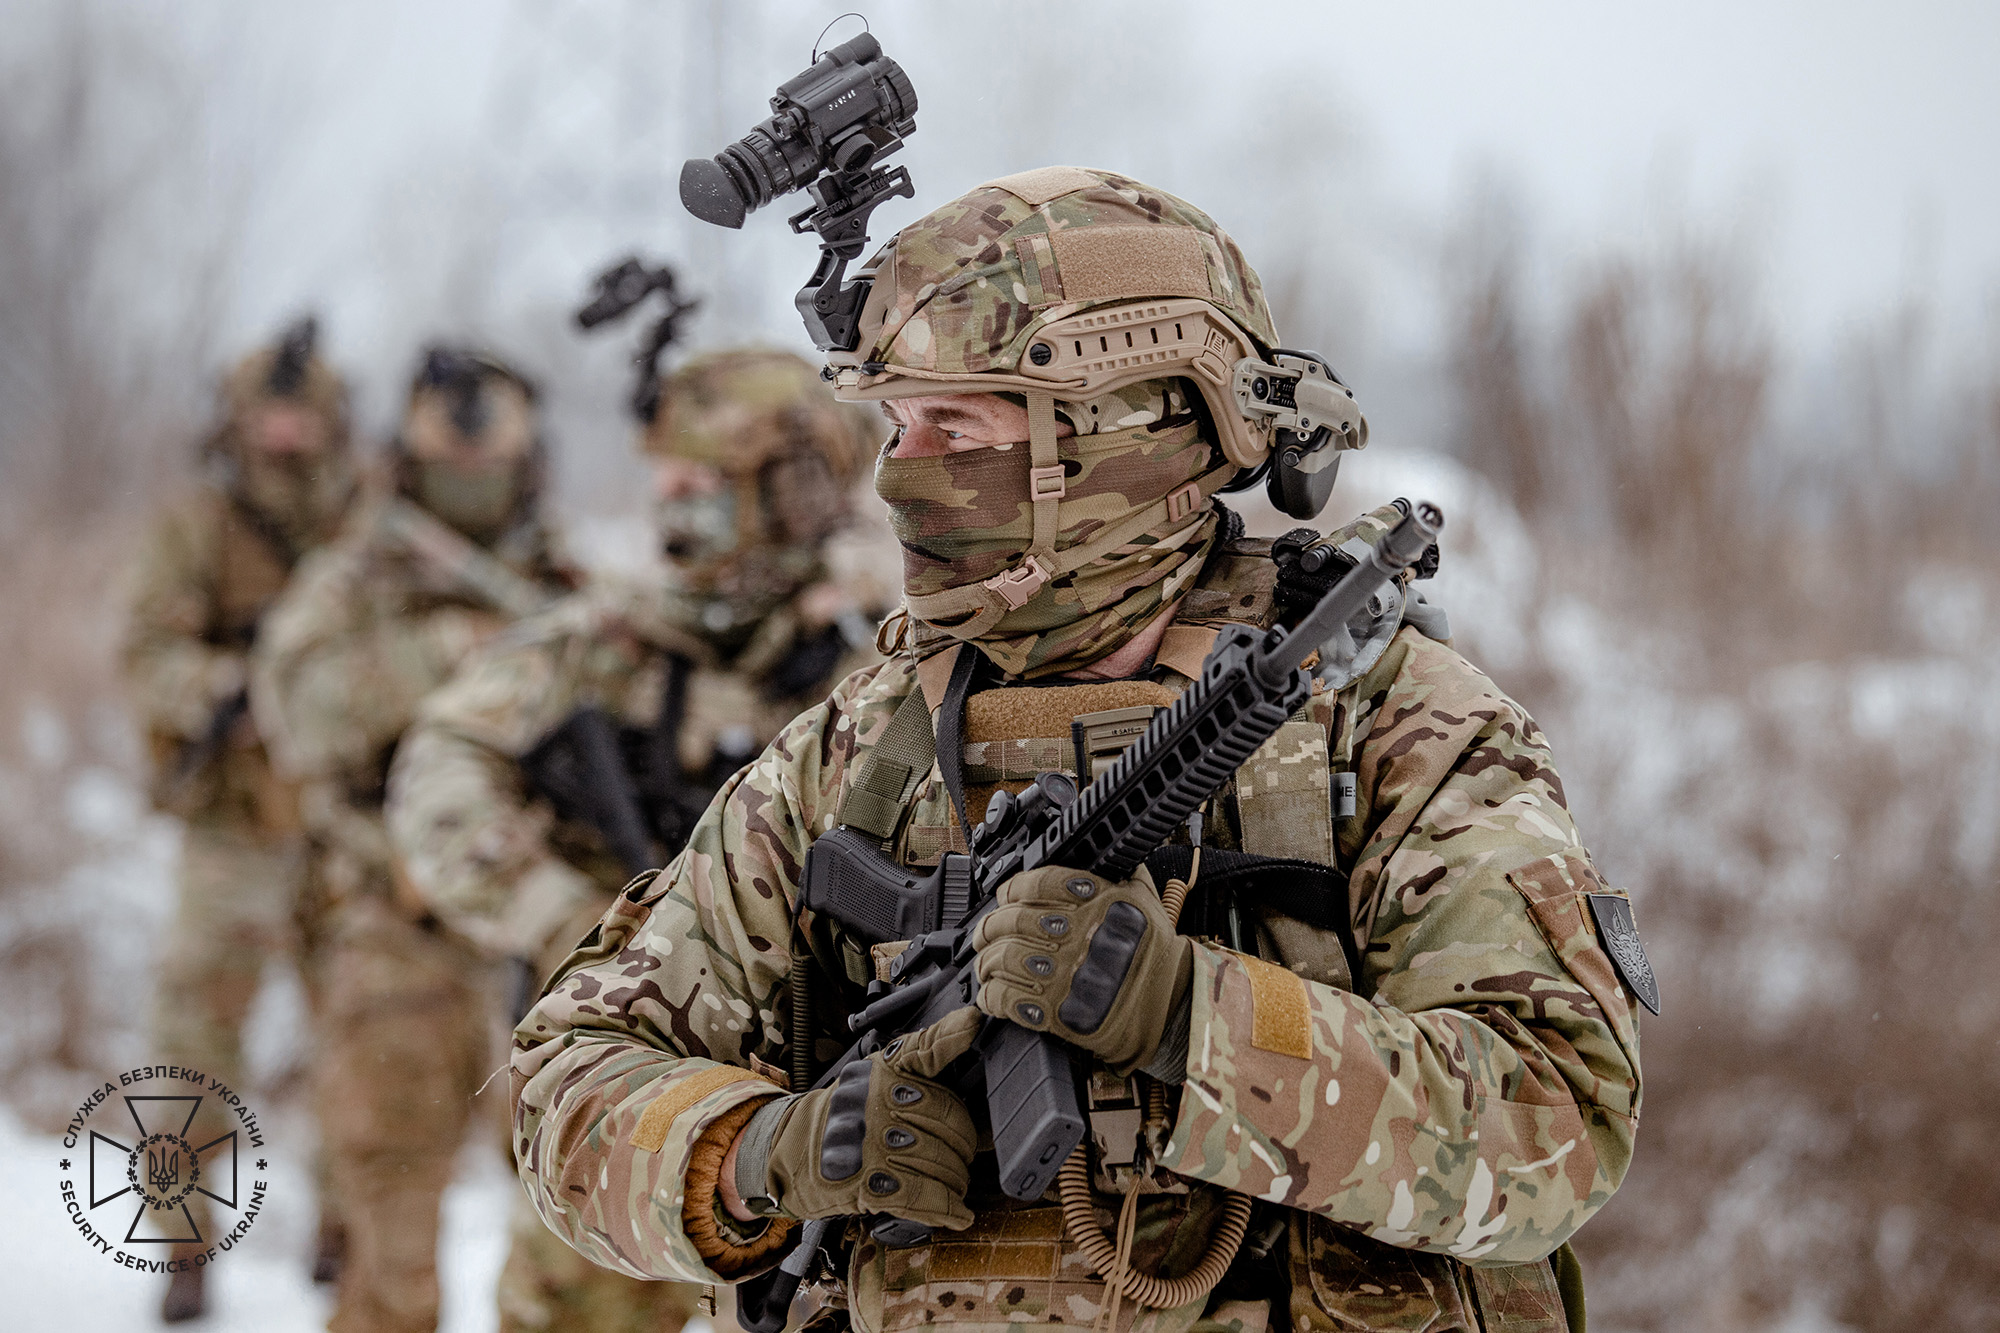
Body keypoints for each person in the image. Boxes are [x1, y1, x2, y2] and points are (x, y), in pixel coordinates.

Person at [503, 169, 1644, 1333]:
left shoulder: (1390, 723)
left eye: (956, 427)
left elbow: (1554, 1125)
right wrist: (759, 1153)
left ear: (1123, 433)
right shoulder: (856, 749)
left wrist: (1192, 1020)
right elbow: (565, 1083)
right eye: (896, 424)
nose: (899, 472)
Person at [384, 345, 885, 1333]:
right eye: (664, 483)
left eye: (700, 485)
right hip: (632, 1088)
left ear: (792, 491)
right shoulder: (601, 642)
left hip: (818, 1112)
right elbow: (438, 772)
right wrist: (559, 917)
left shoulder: (874, 656)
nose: (670, 508)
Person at [252, 346, 577, 1333]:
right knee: (391, 1256)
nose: (472, 476)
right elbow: (292, 708)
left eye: (491, 458)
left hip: (546, 939)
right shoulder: (357, 571)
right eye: (450, 457)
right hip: (399, 933)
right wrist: (441, 653)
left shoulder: (566, 581)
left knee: (576, 1247)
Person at [121, 317, 357, 1323]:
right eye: (270, 413)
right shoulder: (200, 525)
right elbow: (145, 652)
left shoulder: (364, 517)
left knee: (364, 1028)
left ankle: (350, 1231)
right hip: (233, 827)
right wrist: (225, 689)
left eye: (303, 414)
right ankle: (182, 1243)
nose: (286, 432)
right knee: (194, 1036)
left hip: (344, 823)